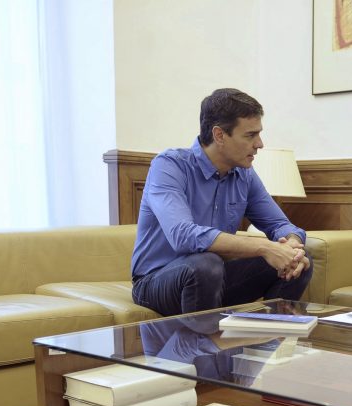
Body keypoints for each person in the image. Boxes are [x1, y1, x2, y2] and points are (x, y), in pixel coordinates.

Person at [131, 88, 312, 317]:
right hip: (155, 282)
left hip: (213, 278)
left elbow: (280, 225)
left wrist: (292, 248)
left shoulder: (244, 174)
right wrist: (266, 247)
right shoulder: (169, 166)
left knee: (301, 262)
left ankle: (268, 345)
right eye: (250, 135)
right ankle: (204, 351)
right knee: (206, 265)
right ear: (219, 135)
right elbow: (183, 235)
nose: (260, 144)